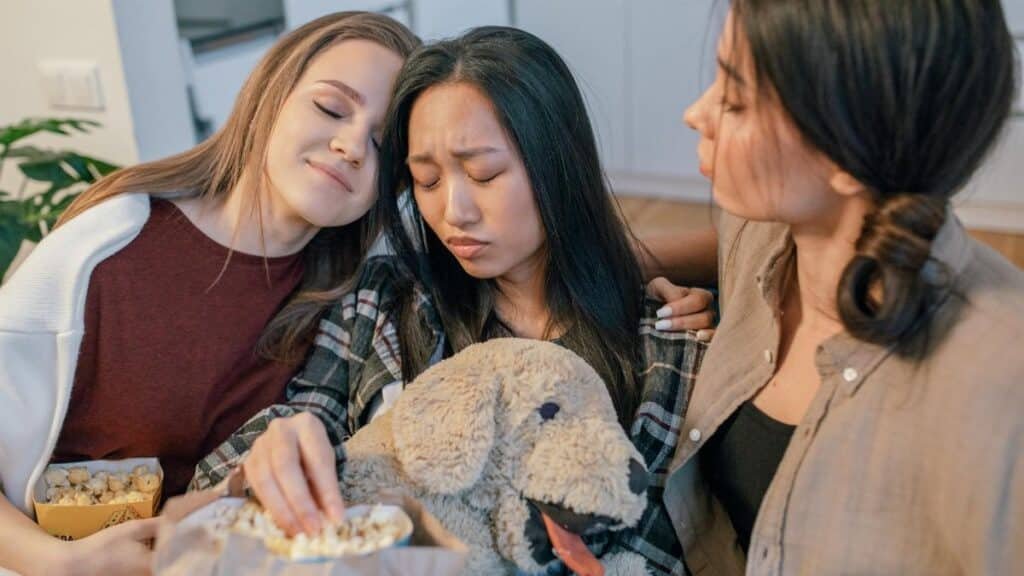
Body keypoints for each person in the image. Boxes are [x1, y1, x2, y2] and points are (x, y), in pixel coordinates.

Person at [193, 26, 713, 575]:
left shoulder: (665, 344)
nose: (453, 211)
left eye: (484, 173)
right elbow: (254, 456)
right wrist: (271, 457)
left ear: (557, 162)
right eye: (427, 180)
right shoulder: (383, 305)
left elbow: (669, 547)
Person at [0, 12, 419, 576]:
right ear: (272, 95)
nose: (350, 147)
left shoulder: (359, 317)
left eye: (382, 144)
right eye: (330, 108)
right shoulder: (109, 247)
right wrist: (56, 562)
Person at [658, 1, 1023, 573]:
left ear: (845, 153)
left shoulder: (998, 386)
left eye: (734, 99)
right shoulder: (767, 224)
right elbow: (726, 239)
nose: (696, 114)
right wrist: (626, 257)